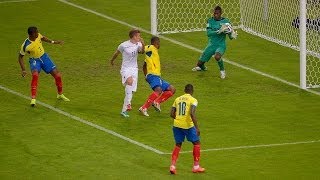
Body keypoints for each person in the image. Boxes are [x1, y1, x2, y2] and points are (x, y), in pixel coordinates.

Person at [18, 26, 70, 106]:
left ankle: (60, 95)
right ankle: (33, 99)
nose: (38, 34)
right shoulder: (26, 45)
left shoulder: (38, 35)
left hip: (44, 57)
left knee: (58, 76)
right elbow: (20, 57)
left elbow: (43, 38)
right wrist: (23, 69)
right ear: (31, 35)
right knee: (35, 75)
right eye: (36, 33)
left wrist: (54, 42)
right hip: (34, 60)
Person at [192, 6, 237, 79]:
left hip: (220, 45)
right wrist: (218, 31)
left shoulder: (226, 22)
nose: (215, 15)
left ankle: (222, 71)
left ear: (221, 13)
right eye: (214, 13)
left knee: (217, 56)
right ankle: (202, 67)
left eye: (217, 13)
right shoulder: (210, 21)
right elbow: (208, 33)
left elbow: (230, 35)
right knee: (199, 64)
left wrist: (232, 35)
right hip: (211, 45)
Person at [169, 84, 205, 174]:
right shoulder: (193, 100)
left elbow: (171, 113)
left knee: (178, 144)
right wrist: (197, 128)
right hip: (188, 125)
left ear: (185, 90)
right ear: (192, 91)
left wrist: (178, 119)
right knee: (196, 143)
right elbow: (192, 113)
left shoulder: (177, 99)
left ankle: (173, 166)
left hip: (176, 124)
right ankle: (196, 166)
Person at [110, 29, 145, 118]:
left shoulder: (139, 44)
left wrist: (143, 44)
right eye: (138, 36)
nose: (139, 37)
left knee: (131, 90)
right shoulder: (124, 45)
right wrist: (112, 60)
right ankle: (129, 104)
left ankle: (124, 110)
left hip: (134, 69)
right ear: (133, 36)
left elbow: (142, 52)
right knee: (129, 82)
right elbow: (117, 53)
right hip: (125, 68)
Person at [139, 36, 175, 117]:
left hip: (156, 76)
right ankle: (143, 108)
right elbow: (142, 50)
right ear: (156, 43)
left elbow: (144, 65)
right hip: (153, 75)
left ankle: (157, 102)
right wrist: (142, 42)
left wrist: (146, 76)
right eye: (159, 43)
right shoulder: (151, 47)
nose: (159, 45)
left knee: (172, 89)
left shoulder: (152, 54)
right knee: (158, 90)